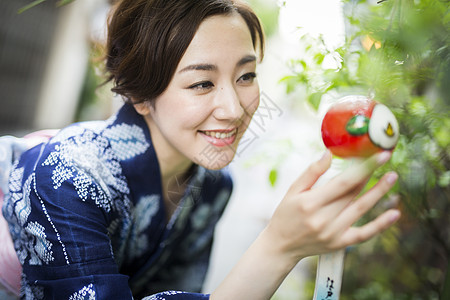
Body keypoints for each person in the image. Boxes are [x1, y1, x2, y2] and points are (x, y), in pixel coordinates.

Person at [2, 0, 401, 299]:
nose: (233, 109)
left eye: (246, 76)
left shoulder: (211, 189)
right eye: (201, 84)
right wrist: (279, 246)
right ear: (141, 95)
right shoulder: (66, 175)